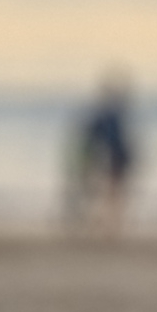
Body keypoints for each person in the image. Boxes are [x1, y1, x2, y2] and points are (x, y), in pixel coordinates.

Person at [62, 71, 138, 231]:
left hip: (112, 157)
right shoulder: (110, 115)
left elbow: (101, 138)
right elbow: (106, 139)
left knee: (109, 191)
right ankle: (108, 223)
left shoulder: (109, 114)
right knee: (108, 191)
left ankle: (108, 223)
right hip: (111, 157)